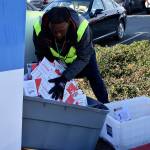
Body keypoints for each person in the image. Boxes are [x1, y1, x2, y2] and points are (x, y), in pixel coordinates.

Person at [33, 6, 109, 103]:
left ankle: (106, 104)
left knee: (94, 76)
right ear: (49, 25)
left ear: (68, 24)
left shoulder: (82, 28)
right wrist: (45, 72)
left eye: (61, 31)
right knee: (53, 81)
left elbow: (84, 58)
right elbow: (40, 54)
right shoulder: (39, 28)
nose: (58, 35)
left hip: (82, 57)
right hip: (58, 59)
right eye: (55, 31)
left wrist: (64, 78)